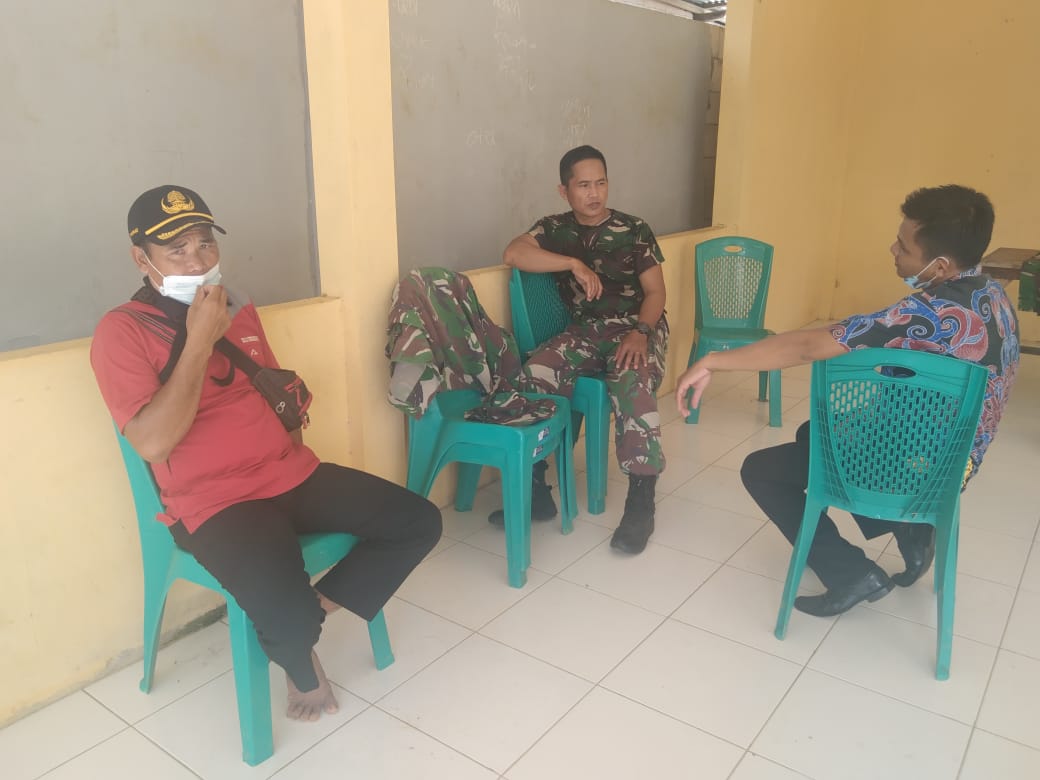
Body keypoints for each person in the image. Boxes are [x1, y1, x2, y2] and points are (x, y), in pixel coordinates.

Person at [91, 185, 442, 721]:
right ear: (142, 259)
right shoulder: (121, 331)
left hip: (289, 475)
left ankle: (306, 613)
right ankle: (299, 653)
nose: (197, 261)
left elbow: (274, 395)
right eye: (176, 250)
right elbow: (154, 442)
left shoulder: (236, 307)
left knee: (418, 521)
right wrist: (199, 340)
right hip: (216, 503)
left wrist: (294, 456)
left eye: (205, 244)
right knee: (288, 619)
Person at [675, 184, 1019, 616]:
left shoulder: (927, 313)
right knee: (812, 432)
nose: (893, 249)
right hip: (955, 463)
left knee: (760, 470)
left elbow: (807, 347)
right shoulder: (993, 295)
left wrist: (713, 361)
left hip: (910, 469)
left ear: (940, 265)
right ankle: (910, 531)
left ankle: (851, 574)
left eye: (904, 245)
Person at [490, 145, 669, 555]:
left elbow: (656, 292)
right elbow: (513, 253)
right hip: (585, 331)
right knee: (533, 375)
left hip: (635, 325)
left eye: (601, 183)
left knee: (633, 380)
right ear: (564, 190)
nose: (594, 193)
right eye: (584, 185)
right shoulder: (555, 228)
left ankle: (641, 501)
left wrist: (641, 332)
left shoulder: (634, 229)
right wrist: (572, 263)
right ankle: (536, 487)